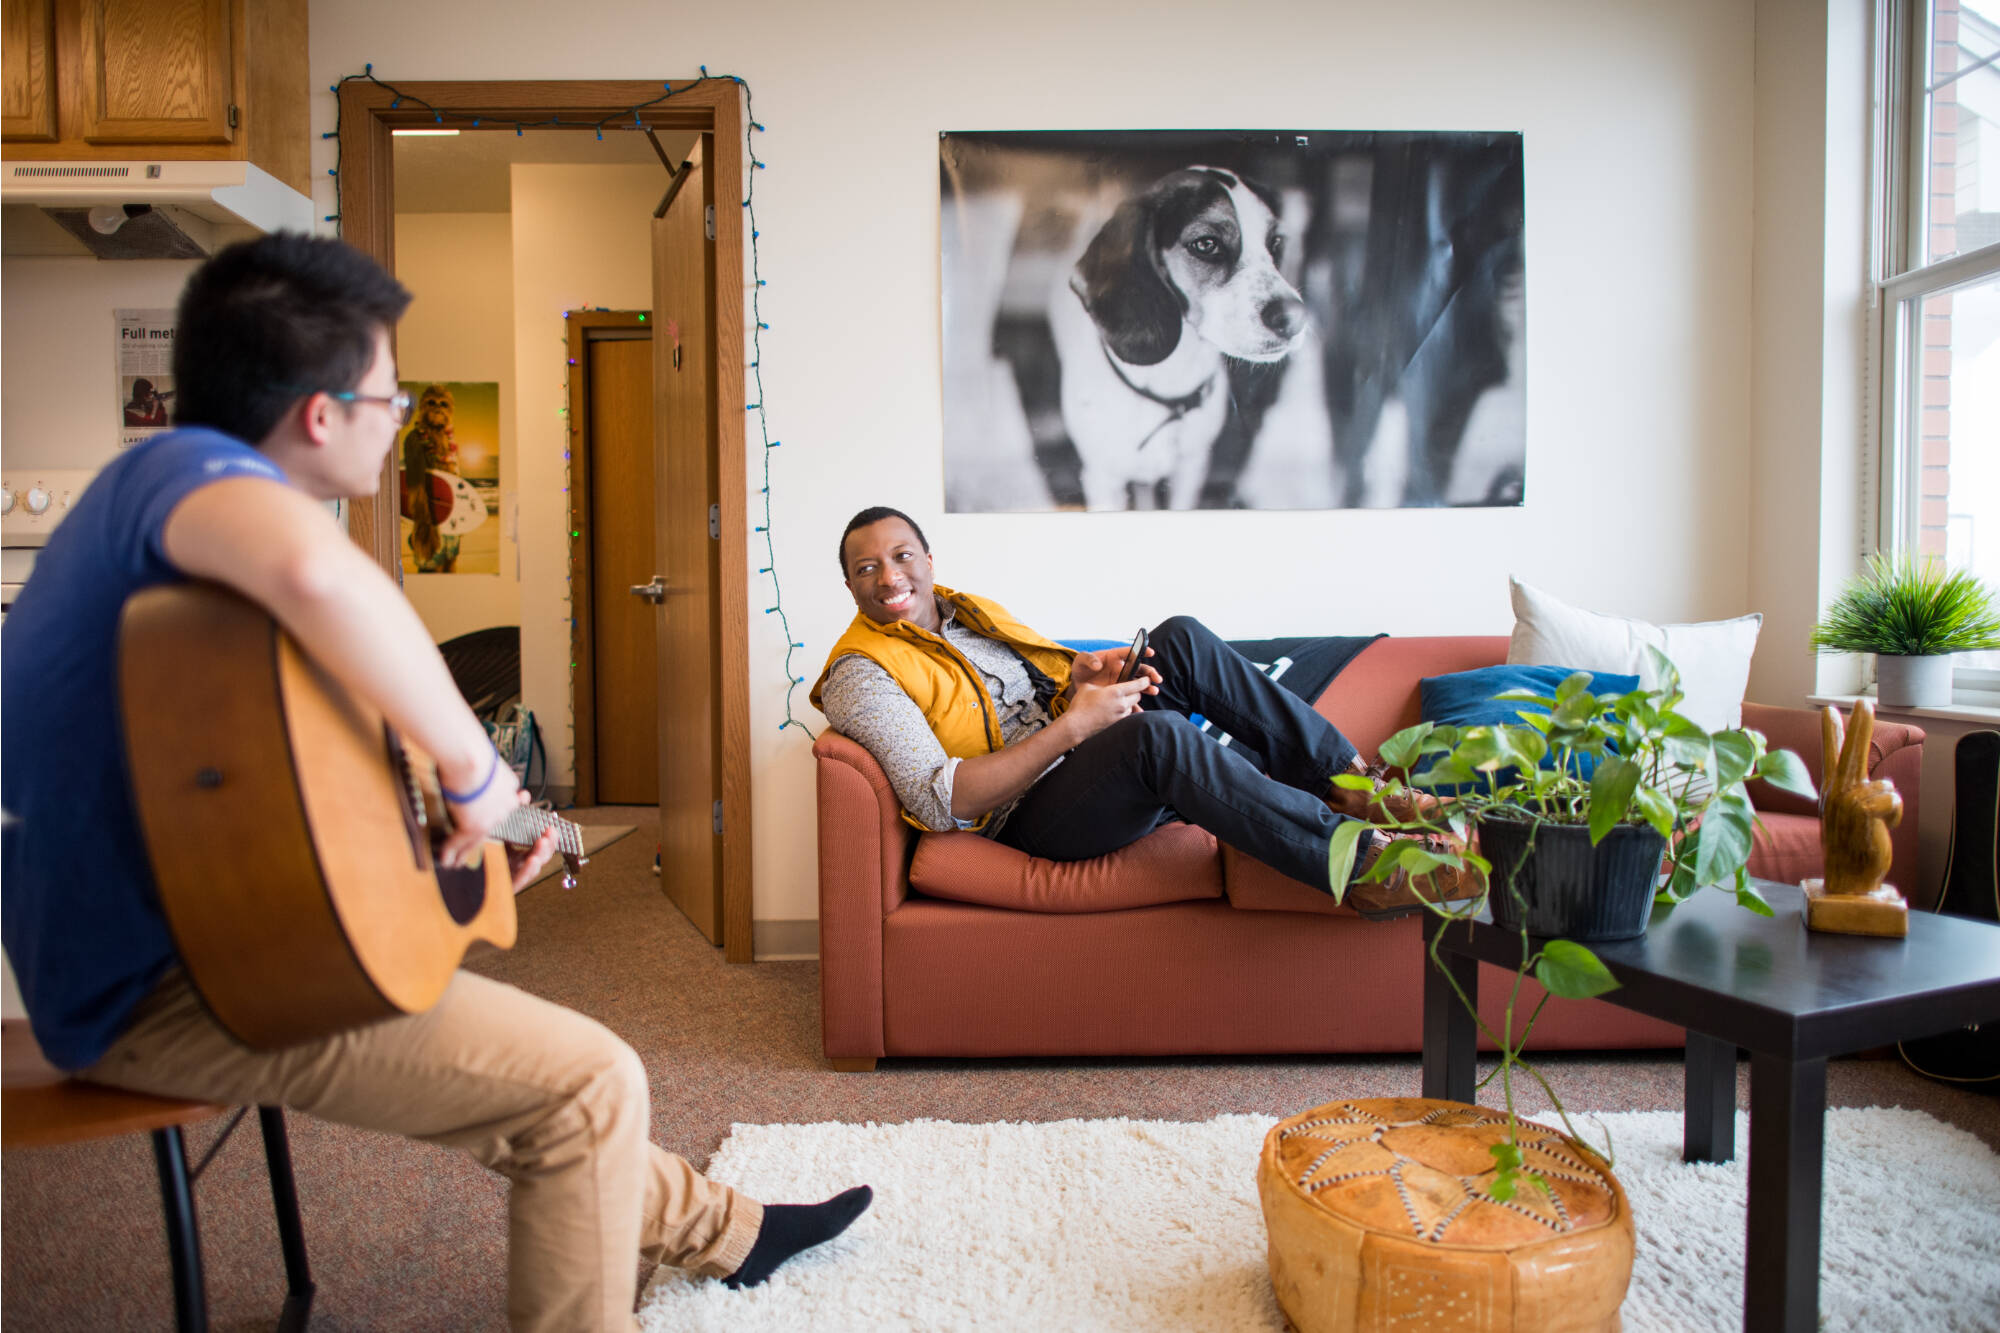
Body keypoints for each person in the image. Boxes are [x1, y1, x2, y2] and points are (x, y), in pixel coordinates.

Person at [1, 234, 868, 1330]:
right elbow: (321, 576)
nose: (401, 416)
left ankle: (726, 1235)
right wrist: (471, 773)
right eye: (390, 394)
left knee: (544, 1094)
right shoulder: (184, 477)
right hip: (170, 981)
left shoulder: (176, 532)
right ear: (322, 414)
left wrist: (469, 804)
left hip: (212, 929)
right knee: (585, 1081)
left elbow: (280, 761)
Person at [813, 505, 1473, 913]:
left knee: (1178, 639)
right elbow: (938, 798)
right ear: (849, 585)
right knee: (1157, 739)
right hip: (1019, 816)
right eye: (866, 567)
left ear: (929, 559)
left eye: (901, 556)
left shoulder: (968, 615)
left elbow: (1024, 698)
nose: (890, 576)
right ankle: (1363, 863)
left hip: (1072, 763)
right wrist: (1078, 723)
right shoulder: (860, 672)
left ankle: (1358, 788)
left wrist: (1080, 680)